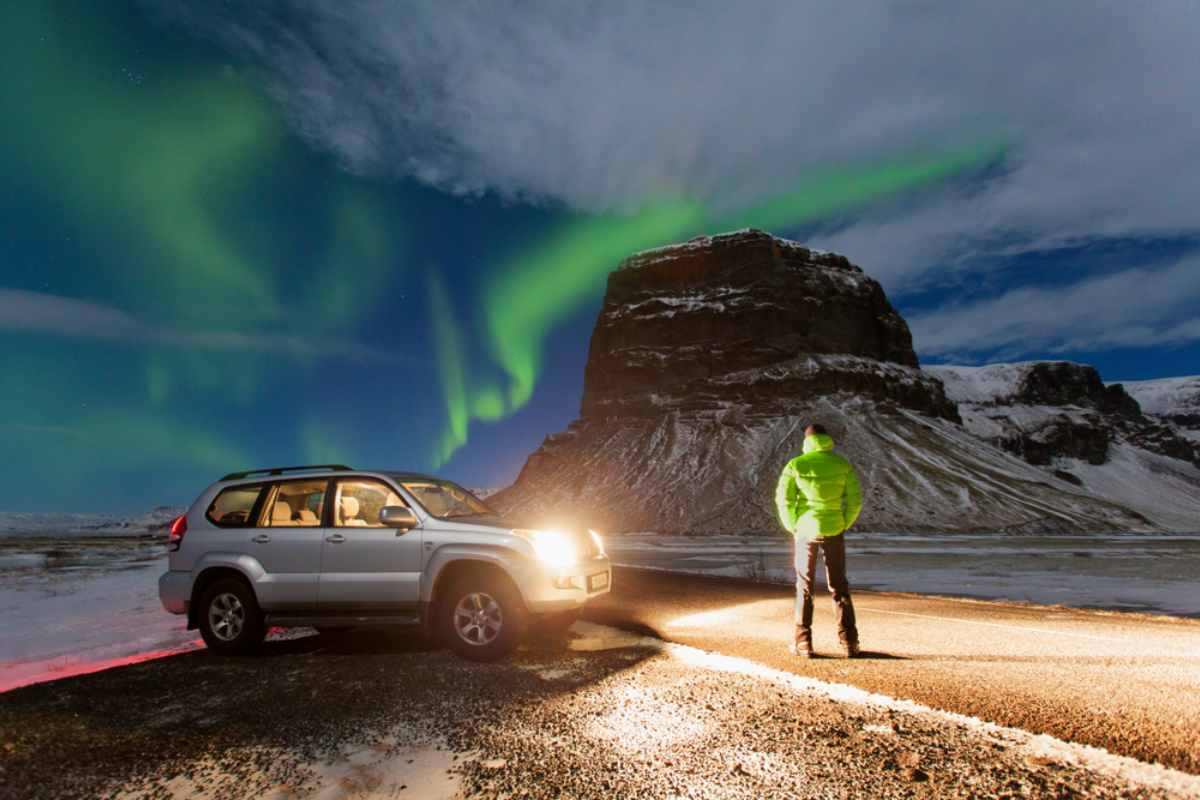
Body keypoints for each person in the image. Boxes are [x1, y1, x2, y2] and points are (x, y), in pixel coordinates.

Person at [774, 423, 862, 658]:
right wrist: (844, 522)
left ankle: (803, 642)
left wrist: (792, 525)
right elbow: (855, 501)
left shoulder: (796, 465)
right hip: (834, 529)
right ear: (827, 439)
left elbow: (783, 500)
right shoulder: (842, 464)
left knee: (804, 585)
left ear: (806, 440)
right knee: (839, 585)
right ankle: (849, 641)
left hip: (805, 531)